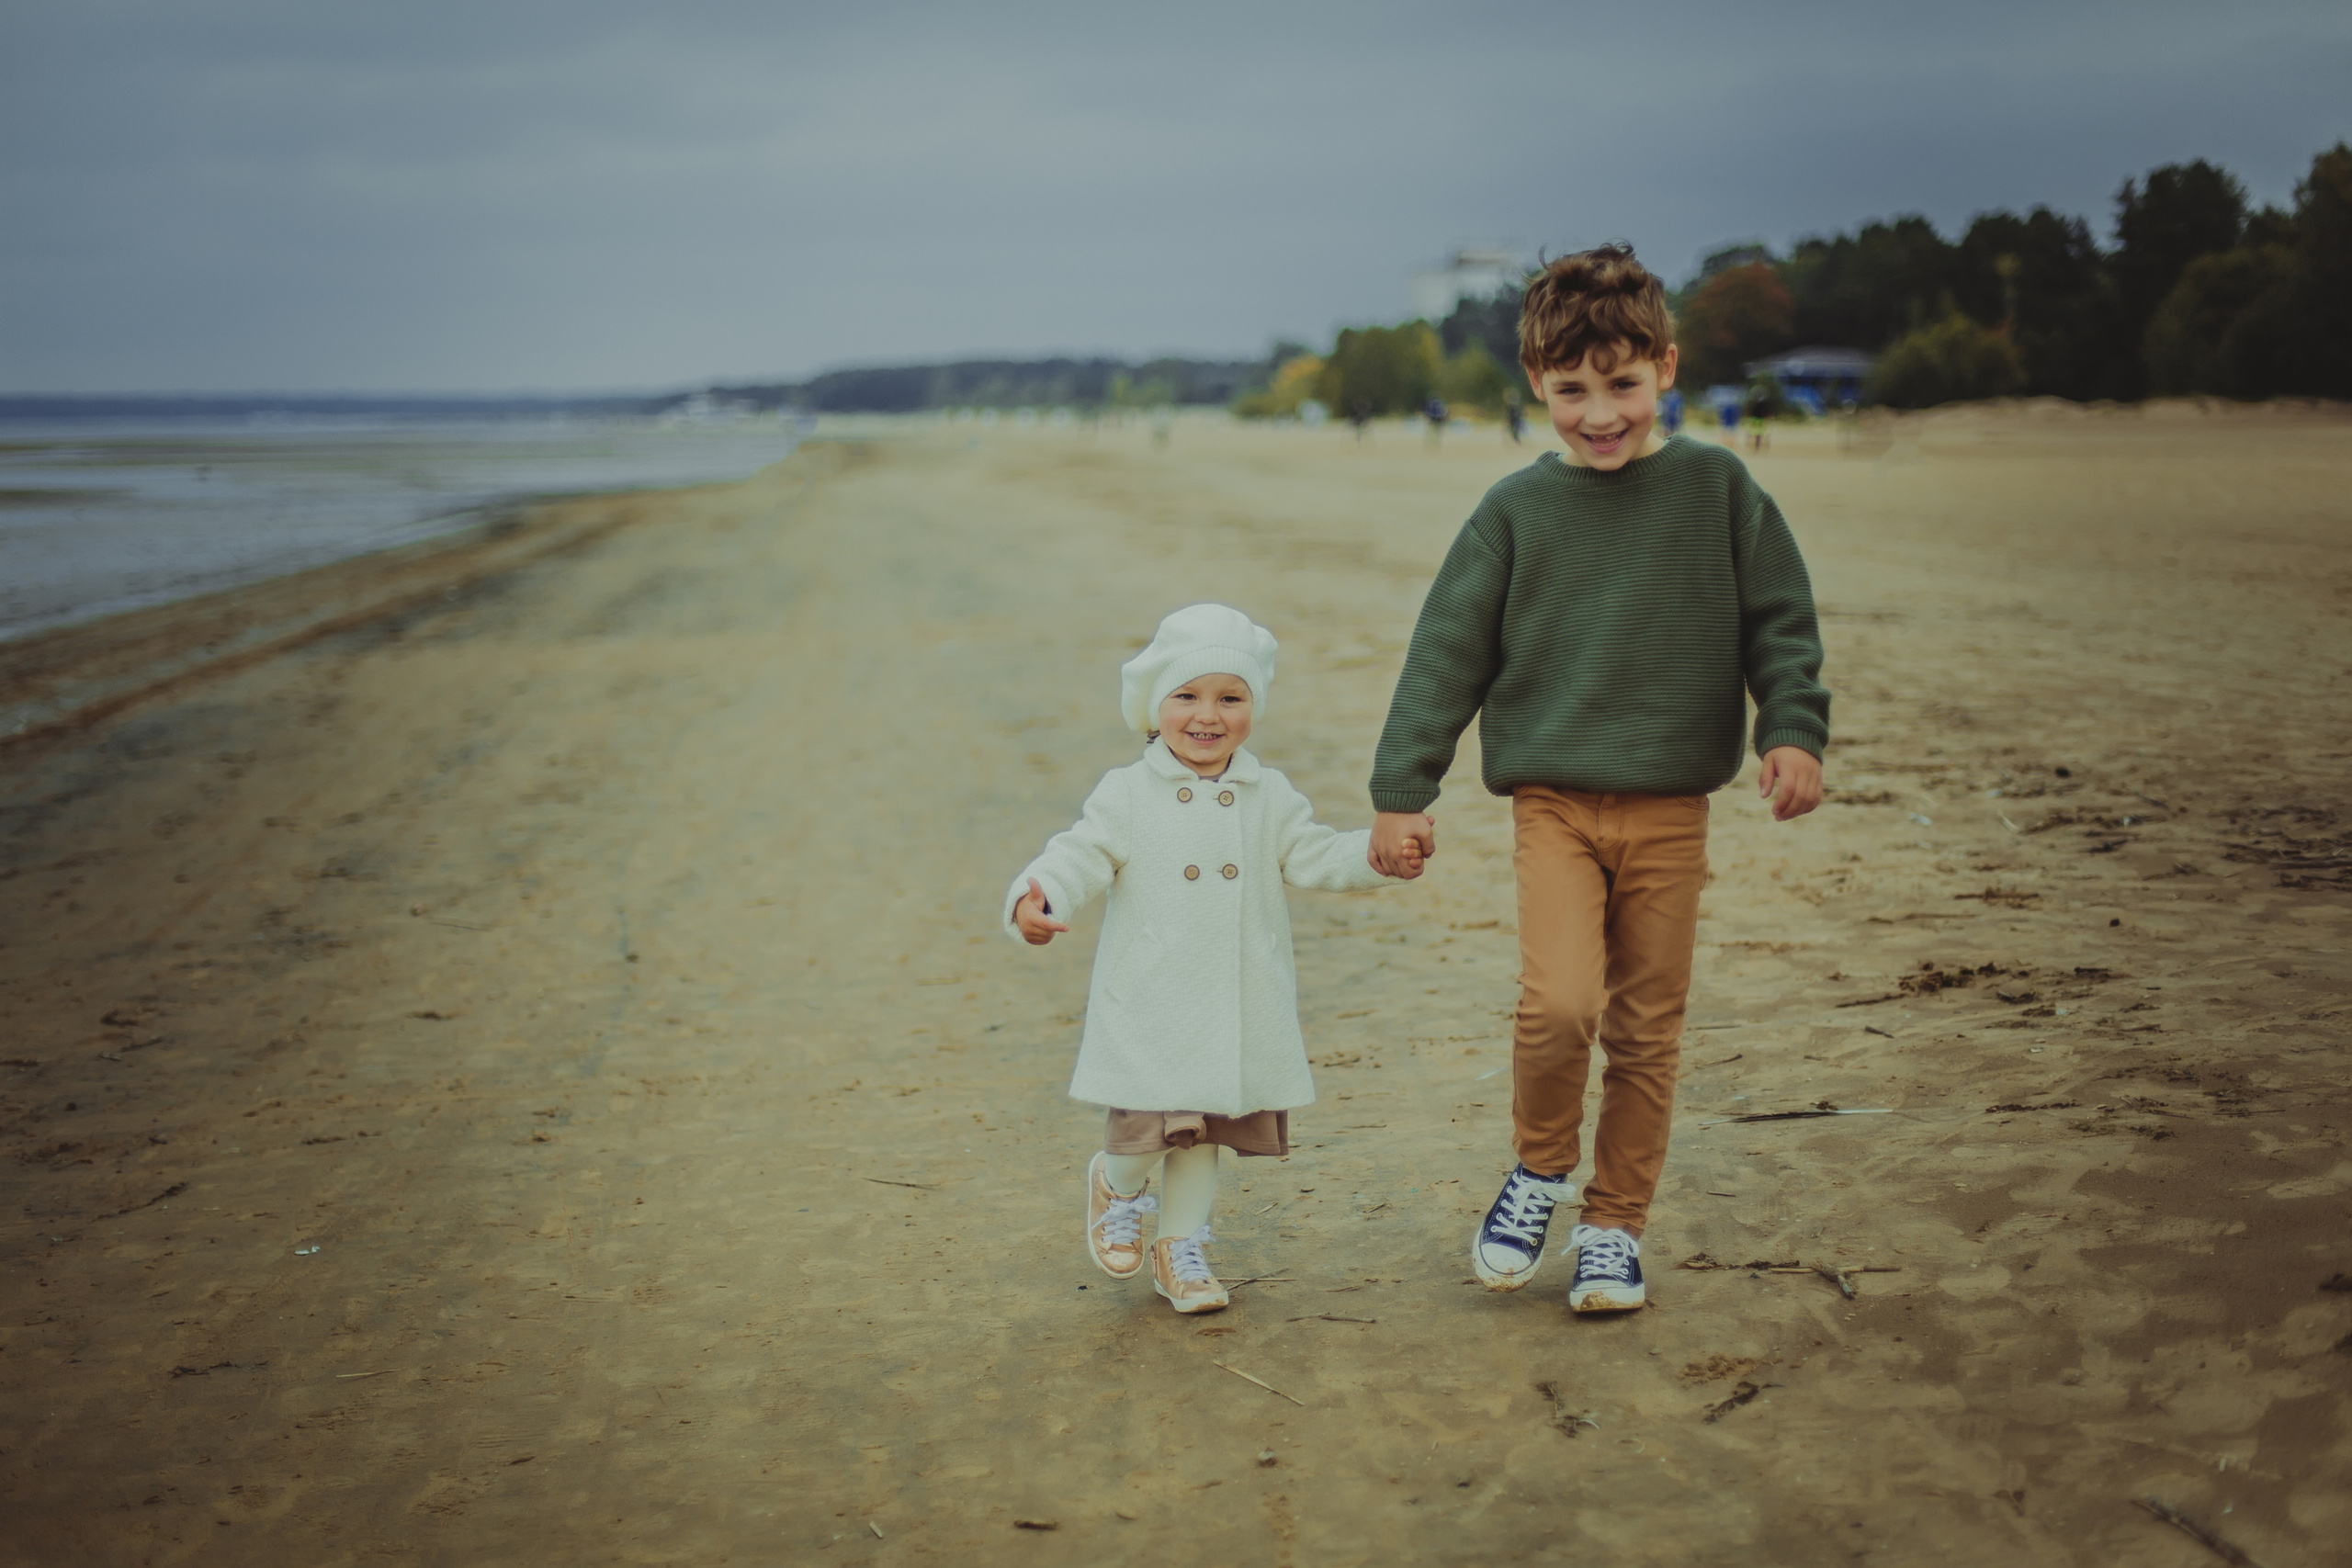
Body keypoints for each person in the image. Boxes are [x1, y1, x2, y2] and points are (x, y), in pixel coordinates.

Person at [1364, 244, 1829, 1314]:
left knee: (1645, 1030)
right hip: (1556, 804)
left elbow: (1781, 623)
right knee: (1561, 1004)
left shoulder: (1718, 490)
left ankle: (1615, 1228)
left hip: (1671, 807)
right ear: (1538, 387)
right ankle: (1537, 1171)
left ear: (1665, 369)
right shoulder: (1514, 513)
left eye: (1620, 385)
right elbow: (1447, 653)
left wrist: (1791, 730)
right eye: (1572, 391)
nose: (1599, 413)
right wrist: (1404, 787)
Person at [1008, 604, 1424, 1314]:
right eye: (1187, 696)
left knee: (1201, 1129)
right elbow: (1078, 854)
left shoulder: (1267, 795)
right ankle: (1118, 1182)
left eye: (1230, 698)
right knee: (1146, 1132)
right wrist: (1038, 896)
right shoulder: (1128, 792)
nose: (1208, 715)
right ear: (1155, 706)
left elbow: (1316, 853)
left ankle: (1181, 1248)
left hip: (1236, 996)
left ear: (1252, 708)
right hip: (1152, 995)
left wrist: (1378, 854)